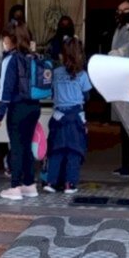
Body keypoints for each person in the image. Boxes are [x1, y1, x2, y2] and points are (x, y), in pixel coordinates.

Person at [0, 24, 41, 200]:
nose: (3, 42)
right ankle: (29, 185)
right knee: (27, 145)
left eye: (4, 39)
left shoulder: (11, 59)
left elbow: (5, 90)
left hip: (17, 108)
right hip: (34, 107)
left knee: (16, 146)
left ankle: (15, 187)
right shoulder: (33, 57)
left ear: (10, 40)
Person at [44, 37, 92, 195]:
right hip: (76, 117)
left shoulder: (56, 73)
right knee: (74, 152)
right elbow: (87, 97)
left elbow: (50, 92)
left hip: (58, 116)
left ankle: (51, 182)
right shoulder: (83, 75)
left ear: (62, 55)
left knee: (56, 151)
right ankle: (69, 184)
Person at [109, 0, 129, 177]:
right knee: (122, 126)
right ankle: (125, 164)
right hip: (118, 80)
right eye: (119, 11)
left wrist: (121, 52)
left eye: (124, 10)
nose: (120, 14)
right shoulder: (119, 29)